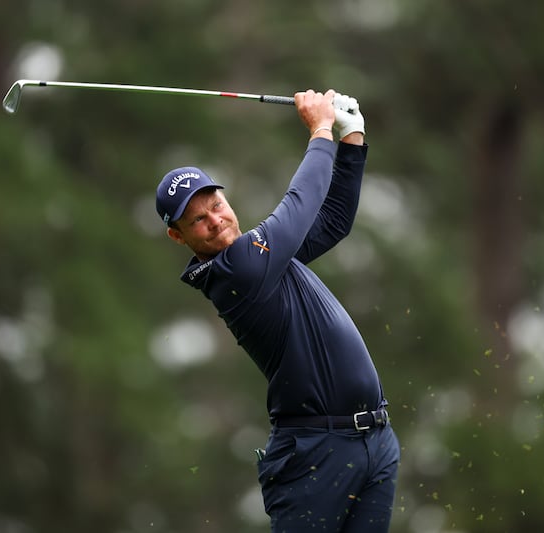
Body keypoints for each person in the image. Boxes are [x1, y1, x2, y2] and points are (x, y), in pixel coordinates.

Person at [155, 89, 400, 532]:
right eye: (197, 220)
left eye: (216, 205)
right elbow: (301, 203)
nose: (215, 220)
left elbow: (333, 220)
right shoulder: (236, 270)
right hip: (314, 455)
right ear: (179, 237)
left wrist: (352, 139)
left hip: (374, 442)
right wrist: (321, 130)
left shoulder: (266, 256)